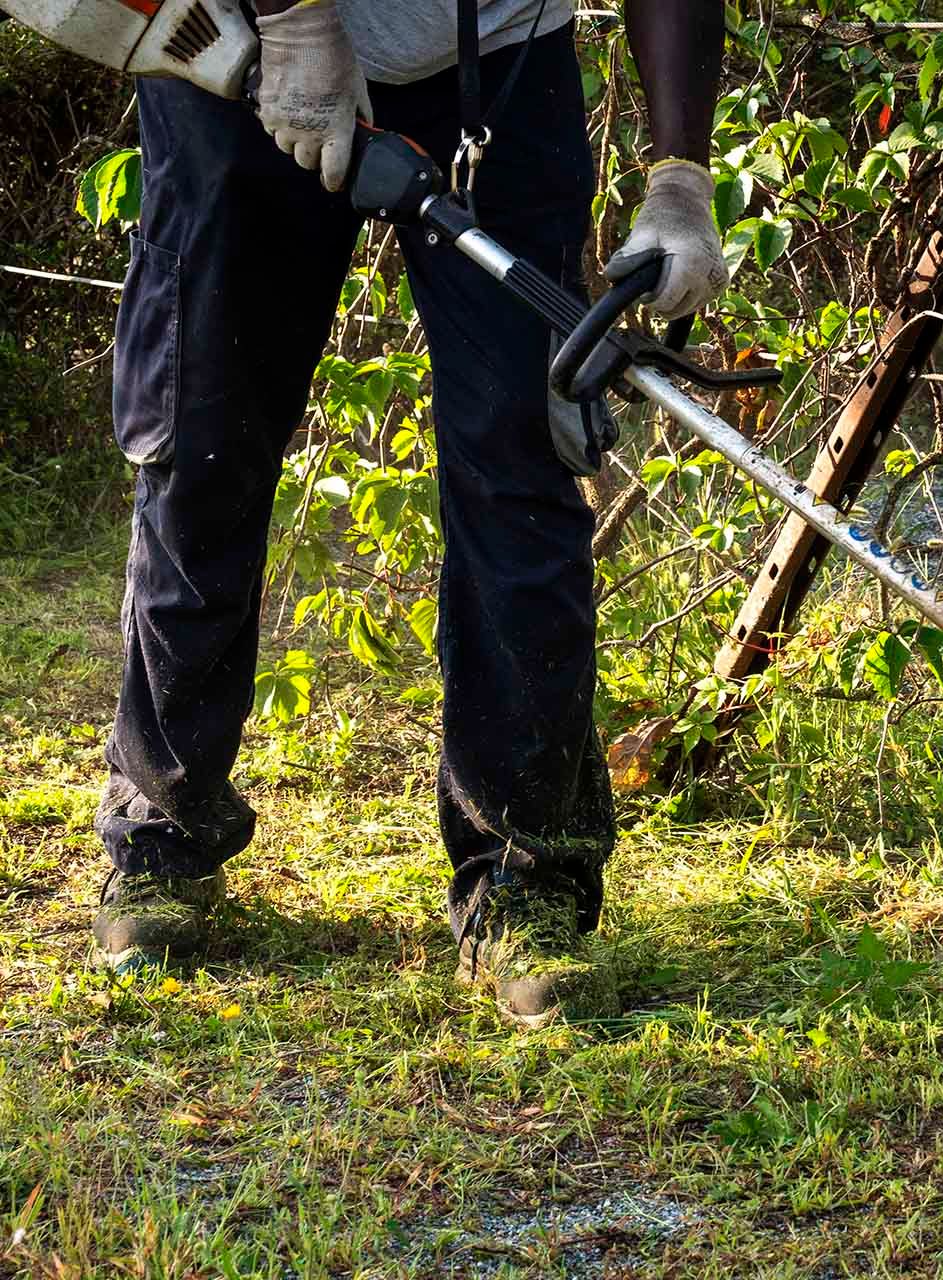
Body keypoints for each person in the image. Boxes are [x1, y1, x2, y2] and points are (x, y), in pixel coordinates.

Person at [89, 0, 727, 1027]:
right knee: (202, 431)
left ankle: (526, 875)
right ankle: (162, 834)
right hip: (239, 48)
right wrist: (294, 18)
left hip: (497, 65)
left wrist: (680, 179)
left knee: (521, 450)